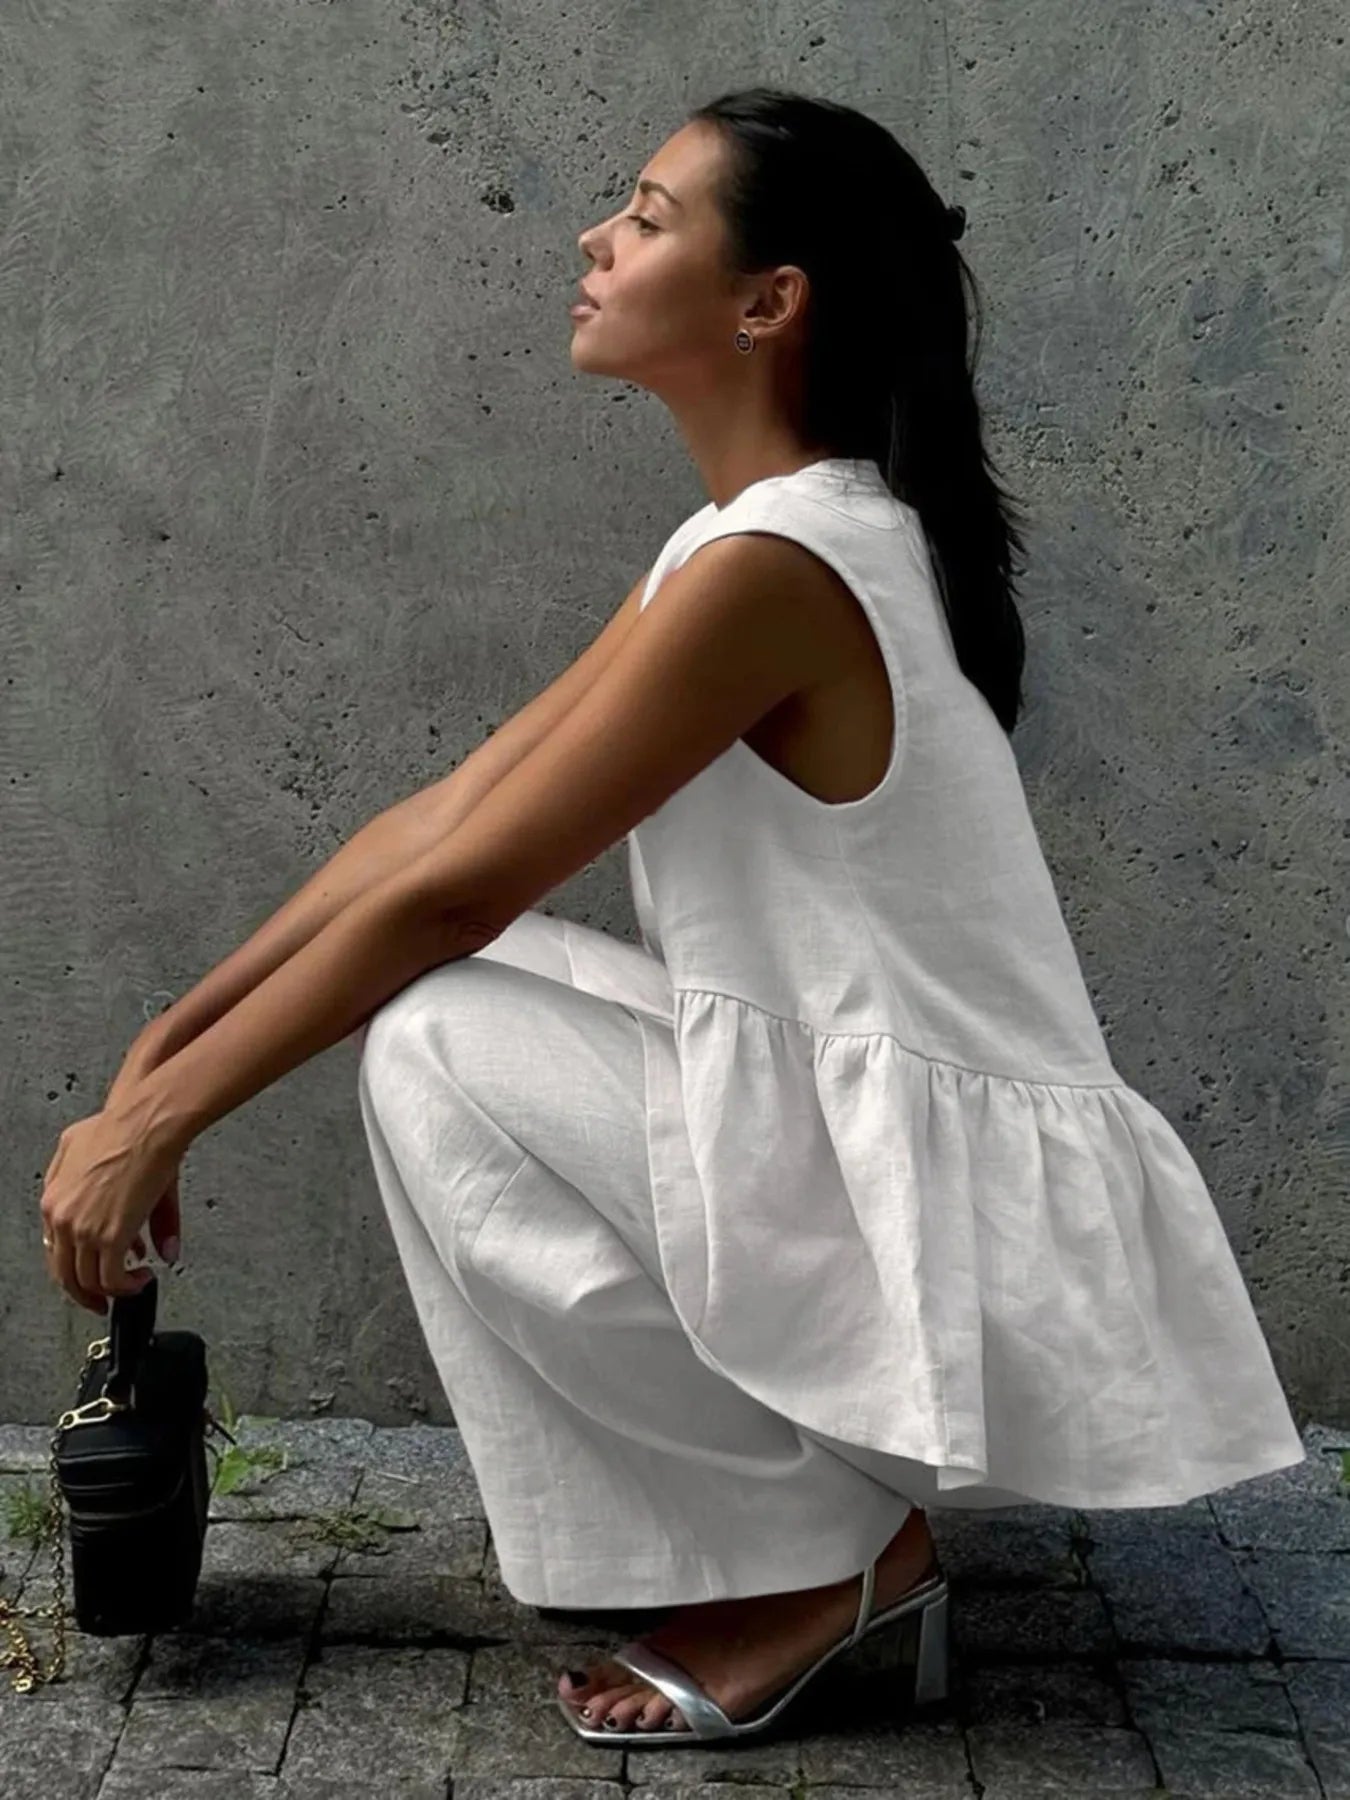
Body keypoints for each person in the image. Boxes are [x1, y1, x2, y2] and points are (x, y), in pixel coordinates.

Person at [40, 87, 1305, 1746]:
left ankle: (829, 1559)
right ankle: (798, 1523)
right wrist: (166, 1050)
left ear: (767, 302)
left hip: (936, 1223)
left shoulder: (777, 573)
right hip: (869, 1149)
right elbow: (435, 819)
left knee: (434, 1035)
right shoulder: (739, 544)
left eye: (645, 217)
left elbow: (455, 883)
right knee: (447, 999)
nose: (592, 238)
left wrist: (163, 1126)